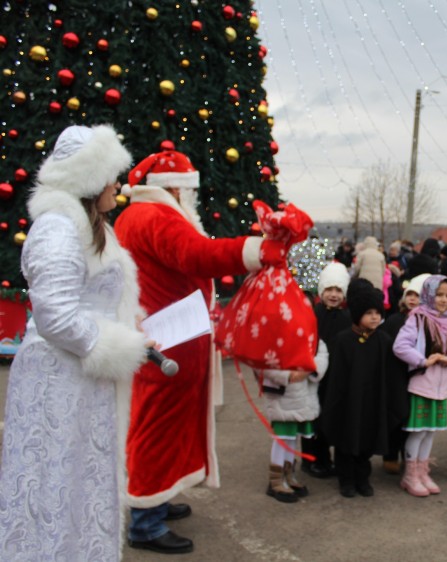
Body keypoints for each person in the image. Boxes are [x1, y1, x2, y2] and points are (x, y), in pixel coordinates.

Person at [0, 125, 149, 560]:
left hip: (82, 380)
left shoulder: (89, 224)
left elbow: (99, 299)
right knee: (53, 480)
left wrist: (131, 331)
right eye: (111, 175)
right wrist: (116, 345)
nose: (117, 184)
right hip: (59, 381)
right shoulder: (57, 229)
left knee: (80, 483)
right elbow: (56, 316)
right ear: (90, 179)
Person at [116, 150, 267, 554]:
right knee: (157, 427)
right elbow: (196, 255)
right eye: (188, 190)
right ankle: (145, 521)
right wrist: (254, 251)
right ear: (174, 189)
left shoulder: (140, 215)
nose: (192, 201)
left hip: (171, 337)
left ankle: (157, 498)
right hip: (170, 344)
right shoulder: (155, 217)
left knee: (166, 425)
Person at [321, 280, 405, 497]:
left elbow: (391, 375)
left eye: (378, 312)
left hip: (372, 402)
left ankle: (362, 478)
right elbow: (335, 378)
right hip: (348, 402)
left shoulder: (383, 341)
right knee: (346, 441)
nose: (375, 317)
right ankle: (346, 479)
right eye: (369, 312)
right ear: (357, 313)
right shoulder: (343, 341)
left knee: (367, 441)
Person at [392, 276, 447, 497]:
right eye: (439, 294)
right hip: (422, 383)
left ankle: (422, 471)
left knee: (430, 433)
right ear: (429, 294)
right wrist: (421, 360)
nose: (444, 299)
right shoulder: (417, 317)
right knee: (417, 432)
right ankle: (410, 475)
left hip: (442, 386)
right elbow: (400, 346)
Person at [258, 307, 329, 503]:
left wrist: (308, 369)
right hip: (284, 396)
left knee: (292, 438)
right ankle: (275, 480)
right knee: (282, 437)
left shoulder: (313, 338)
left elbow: (321, 354)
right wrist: (287, 375)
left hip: (304, 394)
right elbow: (263, 362)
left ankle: (289, 474)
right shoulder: (273, 338)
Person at [305, 262, 352, 477]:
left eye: (338, 290)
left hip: (337, 376)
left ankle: (328, 458)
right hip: (316, 376)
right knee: (314, 419)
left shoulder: (347, 318)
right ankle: (313, 458)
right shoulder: (313, 315)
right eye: (329, 290)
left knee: (331, 418)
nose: (333, 295)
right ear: (321, 291)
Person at [379, 273, 429, 474]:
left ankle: (407, 456)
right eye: (409, 294)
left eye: (417, 296)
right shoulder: (394, 321)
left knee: (412, 420)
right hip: (396, 376)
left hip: (417, 377)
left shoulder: (425, 321)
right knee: (395, 417)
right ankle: (390, 455)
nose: (412, 299)